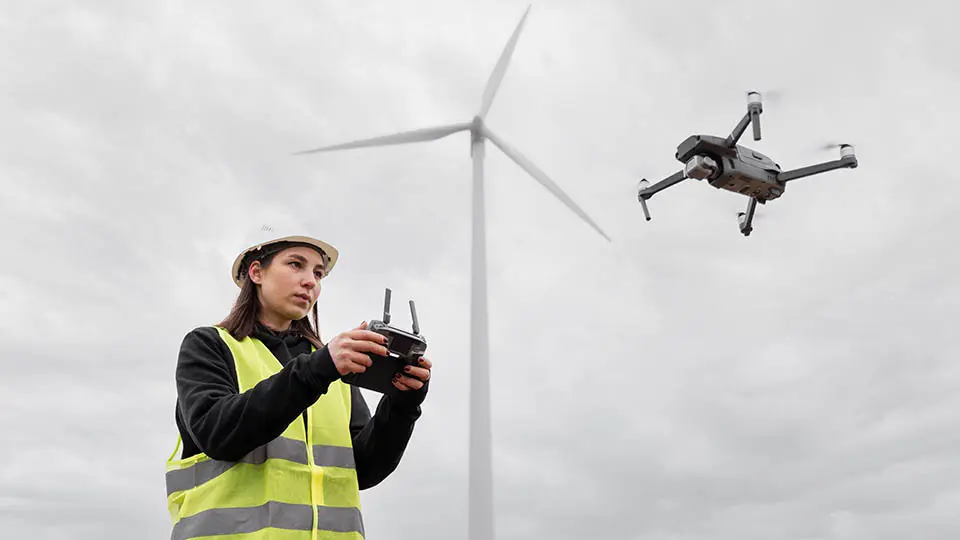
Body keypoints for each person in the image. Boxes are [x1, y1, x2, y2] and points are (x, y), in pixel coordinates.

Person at [164, 230, 432, 540]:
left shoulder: (331, 364)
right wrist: (319, 369)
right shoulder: (209, 345)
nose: (311, 281)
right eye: (295, 265)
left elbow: (364, 469)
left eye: (318, 273)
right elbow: (218, 434)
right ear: (256, 272)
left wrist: (402, 405)